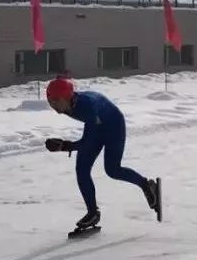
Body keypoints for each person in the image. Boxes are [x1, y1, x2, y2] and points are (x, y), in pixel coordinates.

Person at [43, 77, 161, 229]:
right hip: (96, 125)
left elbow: (87, 142)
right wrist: (66, 146)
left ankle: (147, 185)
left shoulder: (87, 106)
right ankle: (93, 213)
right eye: (50, 101)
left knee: (113, 170)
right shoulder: (66, 104)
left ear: (67, 97)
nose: (53, 106)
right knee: (82, 170)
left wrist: (65, 146)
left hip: (114, 126)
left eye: (56, 101)